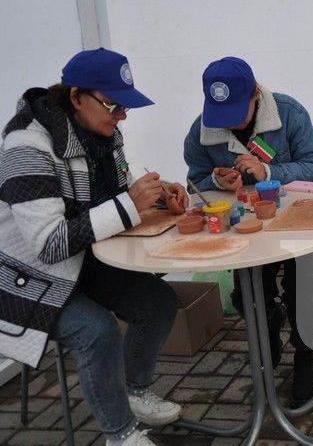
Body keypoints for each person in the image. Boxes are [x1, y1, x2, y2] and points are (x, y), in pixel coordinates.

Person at [0, 48, 189, 446]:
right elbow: (48, 244)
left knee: (158, 302)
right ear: (75, 96)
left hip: (80, 258)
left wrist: (158, 194)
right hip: (24, 274)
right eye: (114, 105)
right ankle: (119, 434)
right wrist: (128, 205)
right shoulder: (25, 145)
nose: (122, 116)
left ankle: (133, 391)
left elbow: (117, 187)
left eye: (126, 107)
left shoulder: (100, 130)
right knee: (96, 330)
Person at [183, 56, 313, 407]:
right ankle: (267, 331)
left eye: (238, 111)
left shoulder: (289, 113)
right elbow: (193, 182)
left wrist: (267, 171)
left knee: (301, 280)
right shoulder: (201, 129)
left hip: (298, 222)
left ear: (255, 95)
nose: (230, 123)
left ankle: (304, 353)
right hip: (245, 226)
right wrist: (214, 180)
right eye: (222, 115)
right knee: (248, 287)